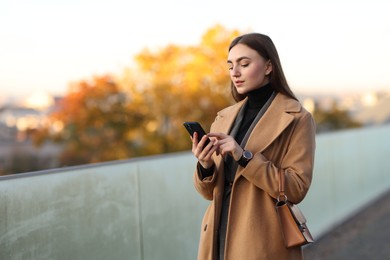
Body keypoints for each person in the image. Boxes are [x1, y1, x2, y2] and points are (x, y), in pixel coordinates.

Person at [190, 33, 316, 260]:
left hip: (261, 244)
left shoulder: (297, 118)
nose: (235, 73)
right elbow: (208, 193)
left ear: (268, 66)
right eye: (230, 66)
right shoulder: (224, 118)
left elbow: (296, 188)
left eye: (244, 64)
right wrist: (205, 165)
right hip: (216, 241)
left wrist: (243, 156)